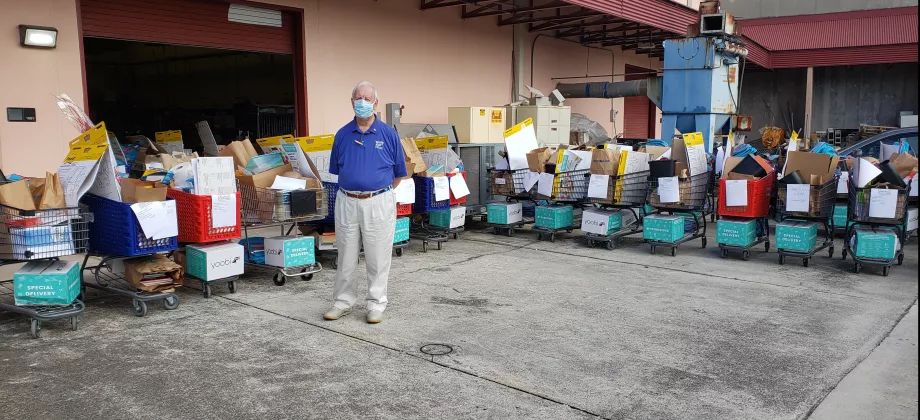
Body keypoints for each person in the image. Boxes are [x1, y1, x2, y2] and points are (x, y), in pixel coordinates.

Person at [323, 81, 407, 324]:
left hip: (378, 201)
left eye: (367, 98)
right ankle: (343, 302)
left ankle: (376, 304)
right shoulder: (342, 135)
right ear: (351, 102)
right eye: (358, 98)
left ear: (375, 103)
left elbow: (400, 174)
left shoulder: (389, 135)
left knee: (378, 256)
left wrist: (378, 192)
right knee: (346, 255)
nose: (362, 102)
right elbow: (337, 170)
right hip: (347, 200)